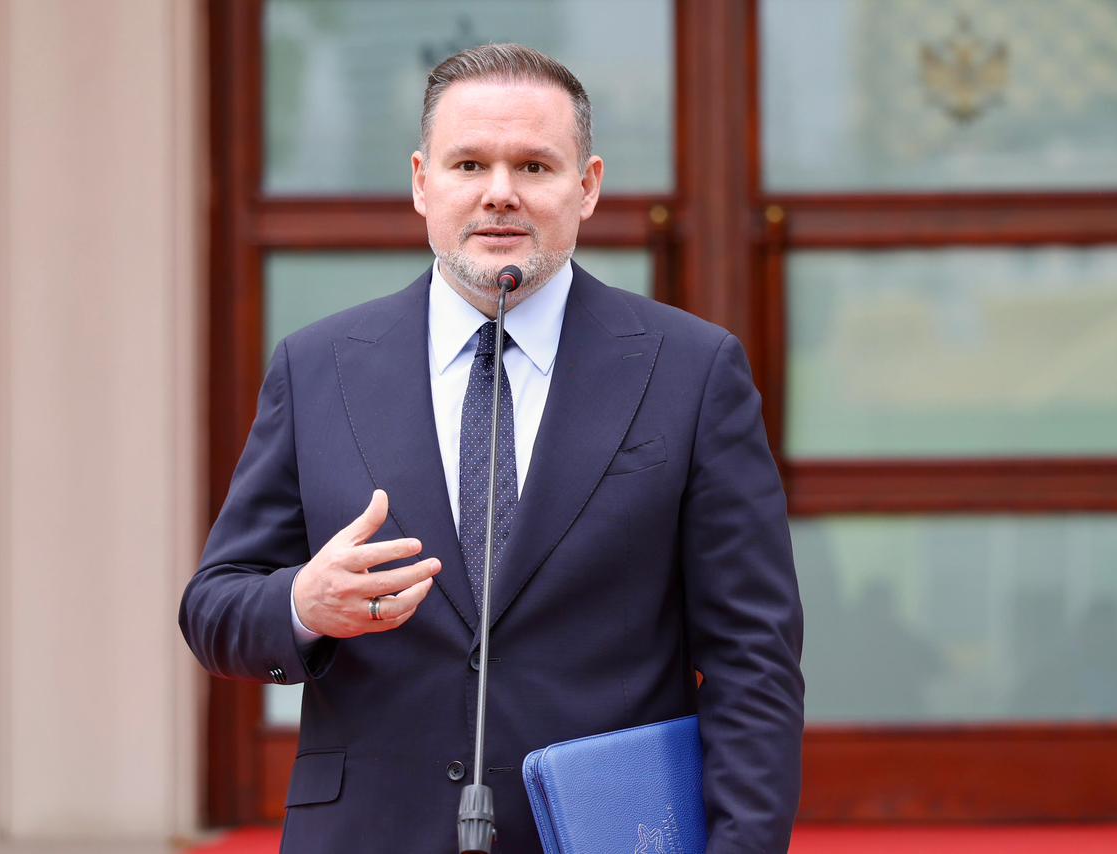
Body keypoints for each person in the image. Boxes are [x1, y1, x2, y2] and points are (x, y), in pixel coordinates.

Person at [180, 43, 804, 854]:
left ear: (587, 186)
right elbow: (214, 608)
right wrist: (303, 604)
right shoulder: (318, 366)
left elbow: (754, 659)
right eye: (469, 163)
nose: (499, 193)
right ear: (421, 182)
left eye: (534, 166)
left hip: (603, 833)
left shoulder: (692, 370)